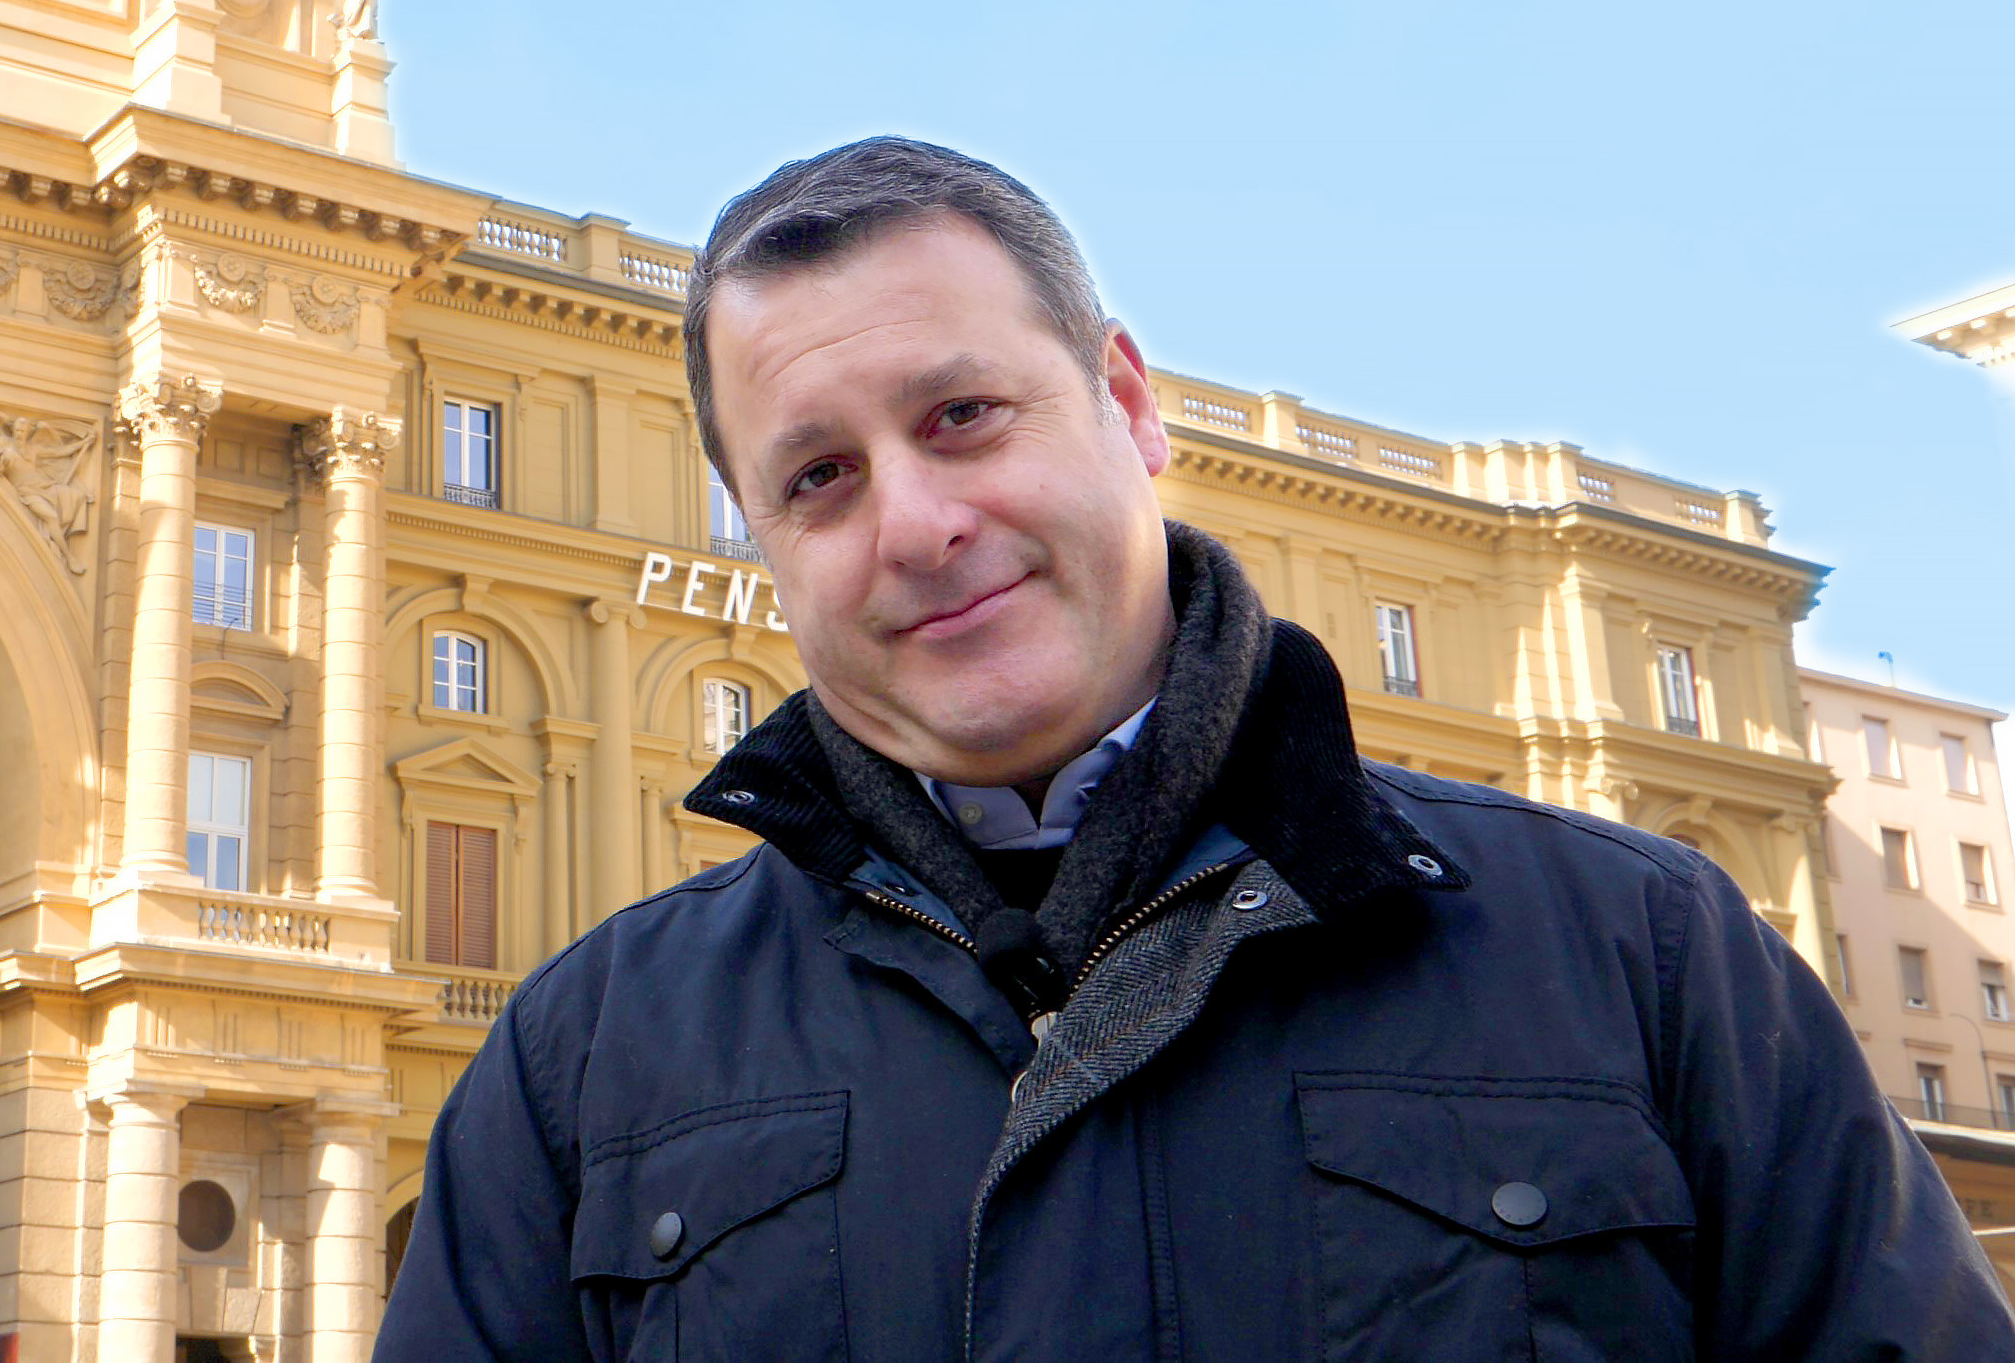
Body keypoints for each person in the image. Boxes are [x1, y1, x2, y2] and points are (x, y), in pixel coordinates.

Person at [380, 136, 2012, 1359]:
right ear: (758, 538)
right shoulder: (574, 1072)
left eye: (963, 416)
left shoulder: (1645, 954)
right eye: (819, 476)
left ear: (1131, 404)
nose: (921, 525)